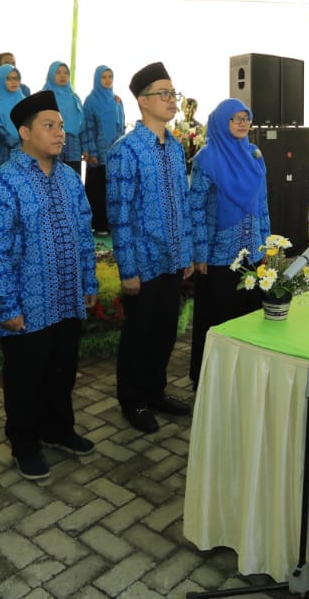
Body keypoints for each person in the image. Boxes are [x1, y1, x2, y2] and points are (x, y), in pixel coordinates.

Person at [0, 91, 99, 482]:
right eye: (49, 126)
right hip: (28, 304)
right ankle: (25, 444)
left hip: (67, 298)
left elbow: (84, 235)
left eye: (61, 125)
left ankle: (58, 430)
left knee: (62, 371)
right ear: (25, 132)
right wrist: (6, 307)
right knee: (25, 378)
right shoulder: (4, 182)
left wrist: (88, 281)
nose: (60, 133)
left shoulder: (68, 178)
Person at [107, 61, 195, 434]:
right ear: (143, 102)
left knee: (164, 330)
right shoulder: (125, 151)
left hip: (173, 259)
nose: (172, 100)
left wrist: (187, 252)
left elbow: (184, 202)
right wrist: (128, 269)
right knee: (139, 333)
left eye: (173, 93)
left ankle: (156, 391)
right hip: (144, 261)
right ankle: (133, 400)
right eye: (164, 94)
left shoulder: (174, 149)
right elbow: (118, 214)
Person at [188, 98, 270, 387]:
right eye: (235, 119)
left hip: (252, 252)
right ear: (222, 122)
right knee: (218, 318)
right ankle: (212, 380)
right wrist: (199, 253)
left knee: (248, 315)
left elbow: (263, 205)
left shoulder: (254, 155)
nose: (242, 123)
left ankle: (243, 379)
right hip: (218, 255)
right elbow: (194, 208)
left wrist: (266, 245)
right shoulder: (206, 159)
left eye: (245, 118)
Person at [81, 65, 126, 234]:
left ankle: (111, 223)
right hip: (98, 154)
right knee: (97, 189)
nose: (107, 80)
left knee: (114, 189)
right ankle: (98, 224)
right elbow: (87, 128)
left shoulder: (117, 100)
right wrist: (90, 151)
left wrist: (122, 149)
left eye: (110, 77)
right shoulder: (90, 100)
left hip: (115, 152)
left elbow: (121, 125)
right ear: (97, 79)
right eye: (104, 77)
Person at [43, 62, 84, 175]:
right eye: (58, 73)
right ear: (51, 74)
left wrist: (85, 149)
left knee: (73, 179)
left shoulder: (74, 97)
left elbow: (82, 124)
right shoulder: (44, 96)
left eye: (66, 73)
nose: (63, 76)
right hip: (51, 143)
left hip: (73, 146)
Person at [0, 64, 26, 168]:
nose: (13, 82)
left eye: (16, 78)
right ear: (1, 80)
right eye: (9, 79)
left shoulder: (23, 99)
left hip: (23, 149)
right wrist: (14, 142)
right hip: (1, 150)